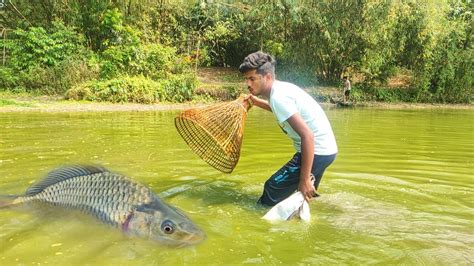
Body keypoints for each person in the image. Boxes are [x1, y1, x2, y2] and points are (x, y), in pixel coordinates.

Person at [239, 51, 338, 206]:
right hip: (326, 150)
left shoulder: (279, 97)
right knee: (301, 196)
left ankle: (260, 222)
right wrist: (257, 102)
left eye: (252, 79)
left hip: (316, 150)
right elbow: (285, 112)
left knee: (272, 187)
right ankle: (300, 218)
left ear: (268, 77)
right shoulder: (279, 91)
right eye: (246, 79)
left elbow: (308, 136)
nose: (248, 84)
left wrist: (304, 179)